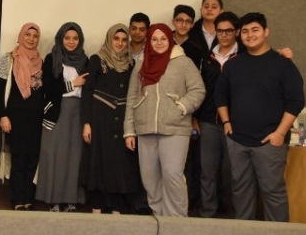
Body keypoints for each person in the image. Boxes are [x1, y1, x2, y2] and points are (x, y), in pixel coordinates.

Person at [215, 12, 304, 222]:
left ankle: (278, 234)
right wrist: (226, 122)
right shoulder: (233, 64)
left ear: (266, 32)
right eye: (245, 31)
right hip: (237, 141)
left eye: (255, 30)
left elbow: (296, 102)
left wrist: (279, 133)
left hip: (269, 142)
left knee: (273, 192)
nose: (250, 35)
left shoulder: (283, 64)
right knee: (240, 190)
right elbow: (220, 95)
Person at [124, 24, 205, 217]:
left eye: (163, 39)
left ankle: (176, 220)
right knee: (150, 178)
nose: (159, 43)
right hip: (145, 128)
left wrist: (180, 107)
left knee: (172, 175)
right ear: (149, 41)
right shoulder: (141, 63)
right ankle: (159, 218)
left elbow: (198, 90)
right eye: (154, 39)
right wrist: (129, 131)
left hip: (175, 128)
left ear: (170, 40)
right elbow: (132, 97)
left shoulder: (183, 62)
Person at [81, 24, 143, 215]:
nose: (120, 43)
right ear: (109, 39)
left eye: (124, 40)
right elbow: (87, 92)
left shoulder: (131, 64)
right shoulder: (97, 60)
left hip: (122, 120)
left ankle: (117, 206)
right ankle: (97, 206)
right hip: (100, 120)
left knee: (120, 164)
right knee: (98, 162)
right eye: (116, 39)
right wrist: (86, 123)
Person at [35, 22, 88, 212]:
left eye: (75, 38)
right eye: (67, 38)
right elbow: (49, 88)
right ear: (60, 39)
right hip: (56, 113)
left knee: (74, 157)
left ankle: (70, 199)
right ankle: (54, 199)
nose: (71, 42)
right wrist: (73, 84)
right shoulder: (52, 58)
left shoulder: (85, 60)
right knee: (54, 155)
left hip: (78, 113)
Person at [0, 22, 44, 211]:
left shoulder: (41, 61)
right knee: (18, 161)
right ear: (21, 36)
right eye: (27, 35)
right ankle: (17, 200)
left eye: (35, 36)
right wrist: (3, 115)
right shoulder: (9, 59)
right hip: (16, 118)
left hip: (36, 119)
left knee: (32, 160)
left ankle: (28, 198)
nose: (31, 39)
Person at [195, 11, 240, 218]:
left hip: (236, 123)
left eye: (228, 31)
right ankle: (207, 213)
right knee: (208, 171)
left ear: (236, 32)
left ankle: (233, 215)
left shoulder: (244, 56)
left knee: (233, 172)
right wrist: (195, 117)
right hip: (208, 122)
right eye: (220, 31)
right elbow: (199, 88)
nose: (224, 35)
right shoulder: (207, 58)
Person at [171, 4, 203, 211]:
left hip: (188, 111)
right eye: (179, 20)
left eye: (188, 21)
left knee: (187, 161)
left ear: (192, 24)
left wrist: (194, 117)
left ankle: (187, 206)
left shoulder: (197, 48)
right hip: (164, 109)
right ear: (173, 21)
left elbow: (199, 87)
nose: (183, 24)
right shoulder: (162, 42)